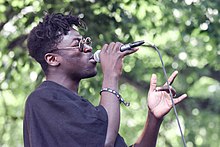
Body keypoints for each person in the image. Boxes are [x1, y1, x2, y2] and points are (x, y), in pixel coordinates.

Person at [23, 12, 187, 147]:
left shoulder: (79, 106)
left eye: (86, 42)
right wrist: (110, 74)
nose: (88, 48)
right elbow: (104, 143)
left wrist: (153, 119)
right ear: (52, 59)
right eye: (78, 44)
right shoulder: (42, 100)